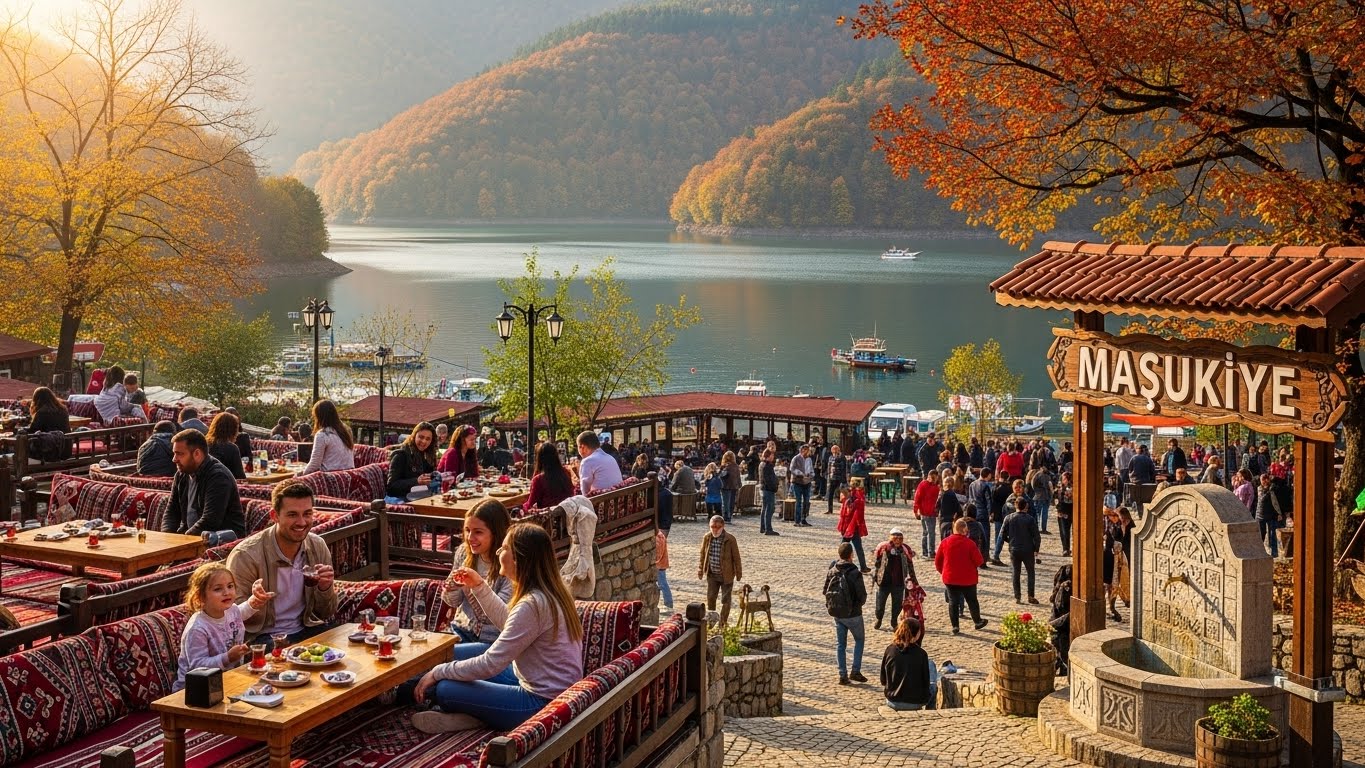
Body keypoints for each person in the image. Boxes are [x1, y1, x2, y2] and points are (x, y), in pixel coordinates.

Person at [408, 523, 585, 734]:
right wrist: (479, 586)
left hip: (541, 702)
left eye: (504, 548)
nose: (499, 552)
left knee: (446, 688)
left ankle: (472, 714)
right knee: (451, 655)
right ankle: (478, 714)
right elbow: (510, 622)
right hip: (538, 684)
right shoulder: (547, 593)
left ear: (517, 559)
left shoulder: (533, 604)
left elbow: (491, 664)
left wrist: (438, 673)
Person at [226, 482, 338, 644]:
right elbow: (231, 616)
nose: (301, 522)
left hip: (307, 628)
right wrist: (254, 603)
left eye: (307, 514)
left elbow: (326, 613)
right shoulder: (246, 555)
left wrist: (325, 588)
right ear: (275, 516)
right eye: (292, 515)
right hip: (263, 637)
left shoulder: (317, 546)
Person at [172, 562, 275, 692]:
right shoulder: (197, 629)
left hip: (227, 679)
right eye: (218, 589)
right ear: (200, 597)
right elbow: (197, 667)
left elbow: (239, 613)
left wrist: (253, 602)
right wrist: (227, 658)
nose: (226, 592)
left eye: (230, 586)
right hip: (194, 690)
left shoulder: (231, 610)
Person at [441, 499, 514, 642]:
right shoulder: (464, 552)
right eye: (467, 530)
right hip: (461, 629)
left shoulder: (509, 562)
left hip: (491, 638)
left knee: (447, 655)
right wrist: (452, 588)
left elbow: (498, 617)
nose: (470, 538)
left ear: (496, 533)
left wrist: (474, 587)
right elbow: (453, 602)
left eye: (478, 532)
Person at [161, 429, 246, 540]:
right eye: (174, 453)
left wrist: (183, 541)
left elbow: (210, 520)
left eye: (180, 454)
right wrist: (167, 538)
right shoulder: (181, 475)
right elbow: (172, 512)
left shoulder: (218, 476)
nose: (174, 459)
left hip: (221, 541)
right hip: (193, 538)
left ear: (197, 454)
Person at [825, 541, 868, 685]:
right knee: (859, 640)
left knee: (840, 645)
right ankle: (855, 671)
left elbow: (825, 590)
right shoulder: (855, 572)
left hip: (837, 612)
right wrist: (858, 605)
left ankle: (842, 674)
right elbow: (862, 596)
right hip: (854, 614)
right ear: (851, 555)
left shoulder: (832, 570)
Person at [934, 518, 988, 634]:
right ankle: (977, 621)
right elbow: (979, 561)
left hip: (950, 578)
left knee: (953, 602)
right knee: (972, 600)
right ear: (964, 530)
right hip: (968, 578)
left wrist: (944, 572)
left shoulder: (945, 542)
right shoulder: (970, 543)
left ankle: (955, 626)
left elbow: (938, 561)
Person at [881, 617, 936, 710]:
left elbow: (883, 680)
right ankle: (930, 711)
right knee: (932, 671)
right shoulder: (921, 654)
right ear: (916, 634)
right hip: (915, 702)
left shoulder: (890, 650)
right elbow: (926, 683)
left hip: (893, 700)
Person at [697, 516, 742, 627]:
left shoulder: (730, 539)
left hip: (726, 575)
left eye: (718, 527)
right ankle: (711, 620)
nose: (715, 530)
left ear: (723, 526)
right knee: (711, 597)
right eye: (713, 527)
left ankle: (723, 622)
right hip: (712, 574)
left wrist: (738, 572)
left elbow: (736, 557)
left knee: (725, 600)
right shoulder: (707, 537)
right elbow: (703, 554)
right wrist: (700, 569)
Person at [872, 528, 919, 630]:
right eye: (895, 538)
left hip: (898, 582)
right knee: (880, 604)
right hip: (884, 582)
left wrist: (914, 581)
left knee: (897, 605)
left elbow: (910, 566)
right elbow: (877, 564)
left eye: (900, 539)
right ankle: (879, 618)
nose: (897, 541)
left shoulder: (905, 550)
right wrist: (876, 576)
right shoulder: (884, 548)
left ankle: (894, 621)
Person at [1001, 494, 1042, 604]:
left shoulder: (1008, 518)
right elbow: (1037, 536)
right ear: (1026, 506)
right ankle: (1030, 596)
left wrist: (1010, 541)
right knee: (1030, 573)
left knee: (1016, 572)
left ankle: (1017, 596)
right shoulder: (1030, 519)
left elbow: (1002, 534)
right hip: (1028, 549)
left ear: (1016, 505)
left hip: (1014, 549)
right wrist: (1036, 549)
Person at [300, 399, 355, 474]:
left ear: (319, 417)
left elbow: (314, 465)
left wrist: (300, 476)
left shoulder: (322, 435)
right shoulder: (347, 431)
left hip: (330, 477)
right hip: (348, 476)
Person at [387, 422, 439, 500]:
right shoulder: (401, 455)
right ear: (414, 436)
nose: (424, 441)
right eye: (421, 437)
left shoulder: (427, 456)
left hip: (421, 497)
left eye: (428, 439)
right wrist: (416, 481)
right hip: (403, 500)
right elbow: (391, 487)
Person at [526, 441, 575, 510]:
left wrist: (521, 508)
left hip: (548, 514)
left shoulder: (539, 480)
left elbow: (530, 504)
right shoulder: (565, 472)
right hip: (567, 512)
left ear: (539, 458)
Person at [576, 430, 623, 495]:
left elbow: (585, 491)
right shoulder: (610, 458)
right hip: (617, 498)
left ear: (582, 447)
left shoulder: (587, 461)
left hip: (601, 500)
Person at [205, 412, 247, 480]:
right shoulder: (232, 448)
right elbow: (240, 477)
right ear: (233, 430)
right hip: (223, 484)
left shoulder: (204, 444)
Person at [837, 485, 870, 570]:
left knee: (844, 548)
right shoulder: (855, 500)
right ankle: (863, 567)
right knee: (856, 548)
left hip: (848, 527)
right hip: (852, 528)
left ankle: (840, 564)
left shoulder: (848, 500)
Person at [1254, 472, 1284, 557]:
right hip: (1261, 515)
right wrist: (1269, 490)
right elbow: (1261, 499)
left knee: (1273, 535)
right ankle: (1259, 552)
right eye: (1262, 480)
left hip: (1272, 515)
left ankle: (1274, 553)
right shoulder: (1260, 489)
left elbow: (1277, 502)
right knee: (1261, 535)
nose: (1264, 481)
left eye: (1266, 479)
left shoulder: (1274, 488)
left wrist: (1279, 513)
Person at [913, 472, 941, 558]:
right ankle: (931, 552)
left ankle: (925, 551)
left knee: (925, 532)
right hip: (930, 513)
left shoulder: (922, 484)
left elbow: (917, 497)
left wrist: (915, 510)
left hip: (923, 512)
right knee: (931, 533)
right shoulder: (935, 488)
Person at [789, 443, 814, 527]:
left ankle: (804, 519)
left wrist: (811, 475)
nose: (807, 452)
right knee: (798, 501)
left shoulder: (809, 459)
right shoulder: (796, 458)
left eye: (808, 450)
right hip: (797, 482)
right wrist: (800, 473)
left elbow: (811, 469)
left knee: (806, 501)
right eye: (805, 450)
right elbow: (792, 468)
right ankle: (797, 520)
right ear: (802, 450)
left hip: (807, 482)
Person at [759, 448, 779, 535]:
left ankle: (763, 527)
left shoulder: (762, 464)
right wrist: (774, 486)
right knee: (769, 509)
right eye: (772, 455)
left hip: (764, 488)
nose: (773, 457)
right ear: (769, 456)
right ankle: (768, 528)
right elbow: (769, 479)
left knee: (764, 508)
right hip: (768, 489)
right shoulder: (767, 465)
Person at [825, 444, 849, 515]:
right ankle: (830, 509)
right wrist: (828, 477)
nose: (835, 452)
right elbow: (829, 467)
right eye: (833, 450)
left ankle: (847, 508)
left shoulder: (842, 457)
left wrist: (844, 480)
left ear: (838, 450)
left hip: (840, 478)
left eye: (836, 450)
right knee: (830, 494)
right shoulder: (830, 457)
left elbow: (844, 469)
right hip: (832, 478)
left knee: (843, 494)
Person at [1055, 470, 1074, 556]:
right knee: (1064, 531)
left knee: (1070, 531)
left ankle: (1070, 548)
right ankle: (1066, 549)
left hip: (1070, 510)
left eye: (1064, 479)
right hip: (1063, 511)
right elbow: (1056, 499)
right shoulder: (1060, 487)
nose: (1063, 480)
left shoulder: (1073, 488)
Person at [720, 451, 741, 522]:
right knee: (731, 501)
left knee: (725, 502)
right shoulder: (736, 466)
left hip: (726, 486)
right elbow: (738, 477)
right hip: (734, 486)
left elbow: (721, 476)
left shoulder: (725, 466)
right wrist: (739, 485)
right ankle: (730, 515)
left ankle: (726, 516)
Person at [656, 528, 673, 612]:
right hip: (661, 564)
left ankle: (668, 604)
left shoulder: (658, 537)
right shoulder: (660, 535)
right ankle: (668, 603)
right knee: (662, 584)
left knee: (663, 584)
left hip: (659, 565)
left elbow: (658, 555)